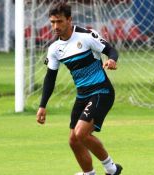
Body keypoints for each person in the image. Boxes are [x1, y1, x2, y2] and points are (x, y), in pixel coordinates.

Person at [36, 2, 122, 175]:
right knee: (73, 140)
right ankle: (89, 174)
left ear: (69, 20)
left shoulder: (87, 35)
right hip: (82, 95)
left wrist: (112, 60)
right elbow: (50, 77)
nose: (55, 26)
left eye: (59, 21)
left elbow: (111, 50)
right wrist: (42, 105)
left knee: (81, 133)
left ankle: (111, 169)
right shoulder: (54, 49)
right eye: (52, 22)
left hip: (101, 91)